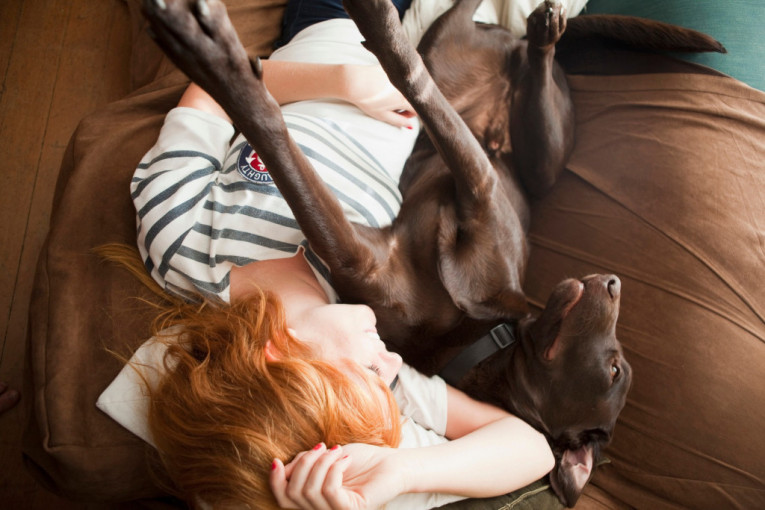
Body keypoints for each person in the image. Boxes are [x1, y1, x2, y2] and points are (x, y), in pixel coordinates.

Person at [100, 0, 555, 508]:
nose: (391, 363)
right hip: (444, 89)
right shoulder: (363, 350)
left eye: (370, 372)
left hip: (335, 37)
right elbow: (534, 450)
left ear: (279, 353)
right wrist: (400, 472)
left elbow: (212, 87)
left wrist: (345, 82)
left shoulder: (181, 241)